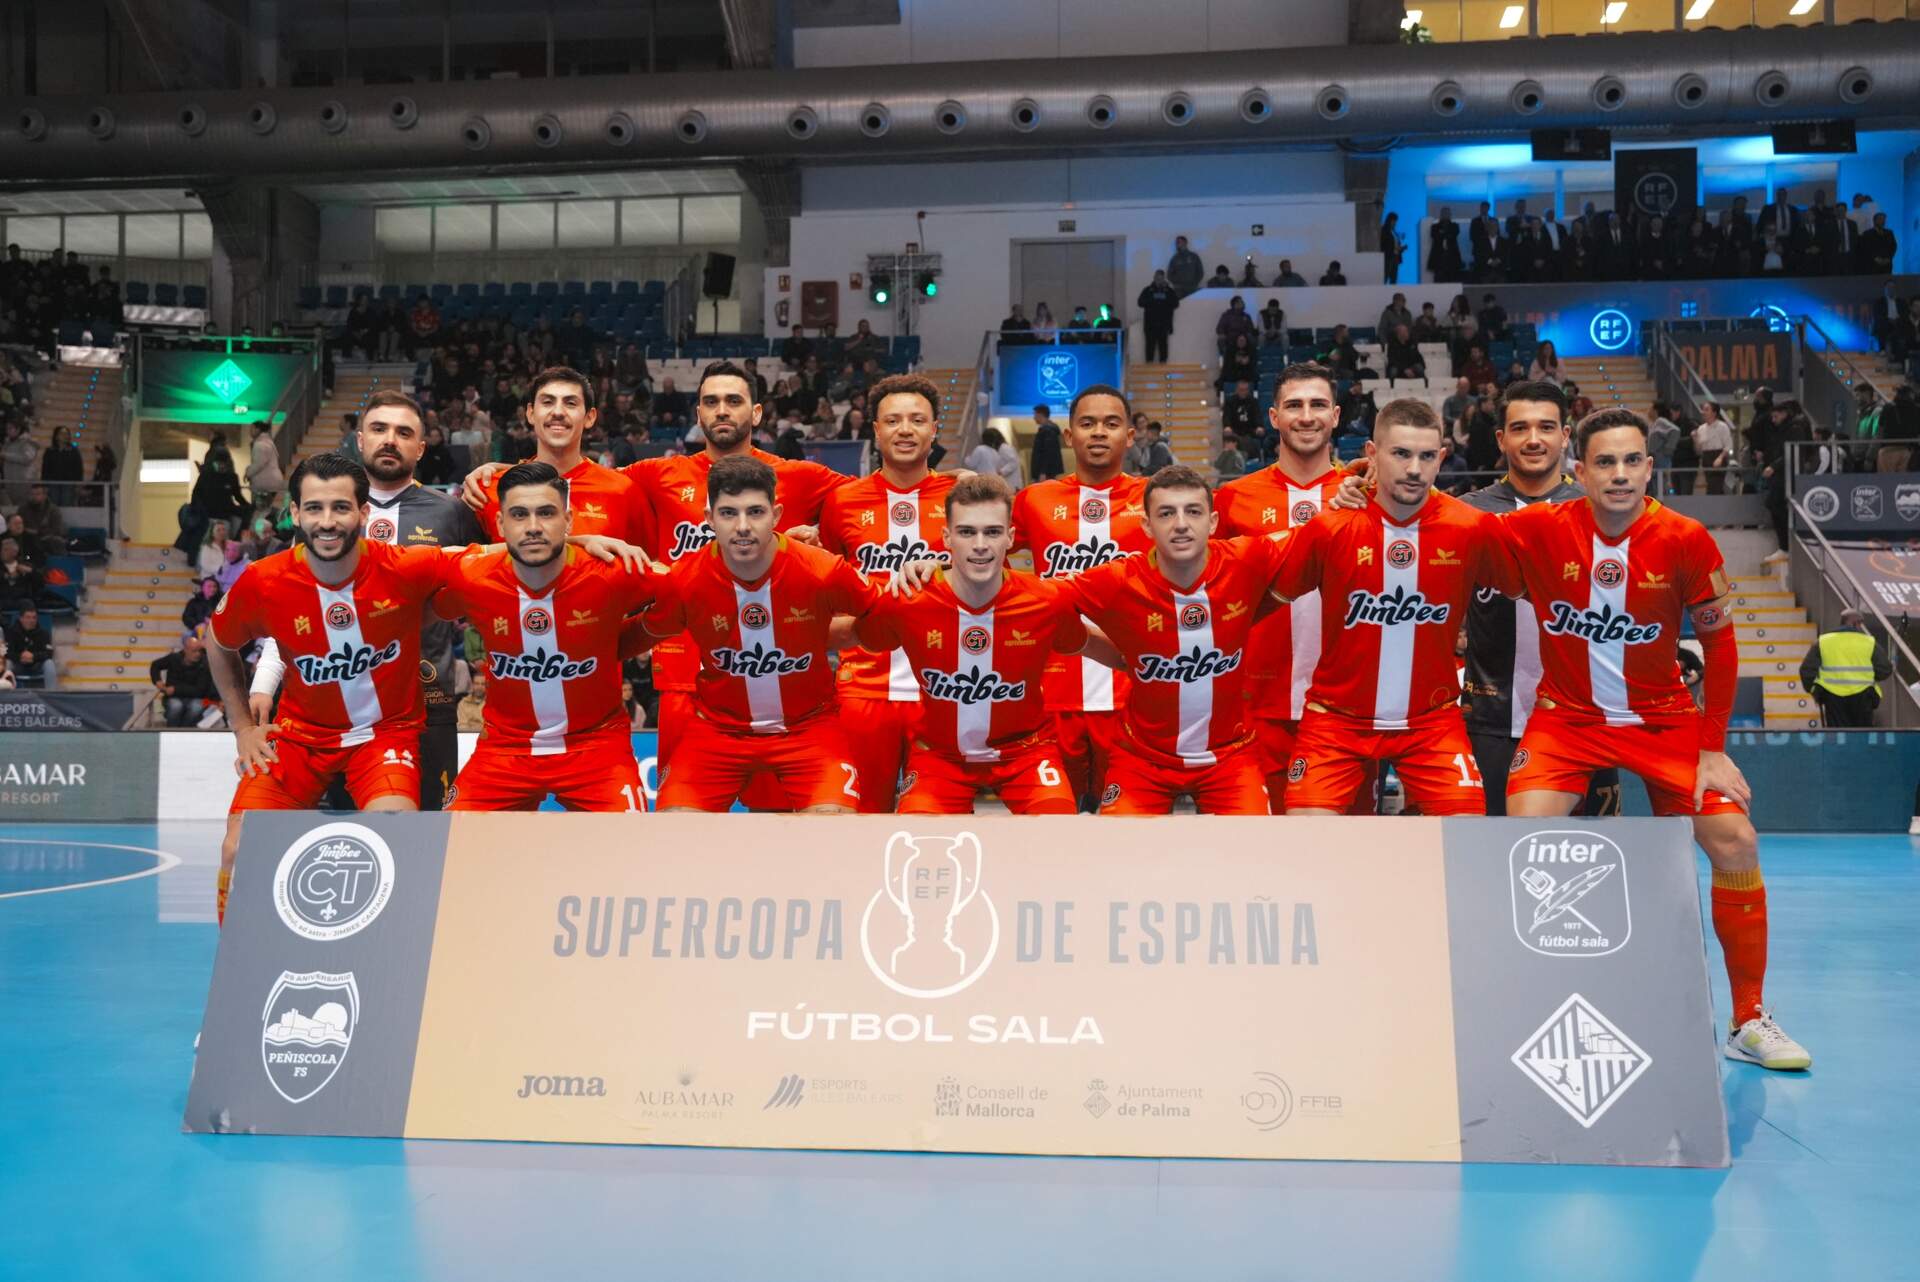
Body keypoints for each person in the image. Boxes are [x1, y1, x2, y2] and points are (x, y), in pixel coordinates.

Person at [1497, 407, 1810, 1071]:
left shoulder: (1686, 539)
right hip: (1566, 719)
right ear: (1579, 472)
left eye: (1631, 461)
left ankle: (1749, 1019)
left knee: (1736, 840)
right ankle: (1534, 1006)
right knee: (1524, 839)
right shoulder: (1536, 528)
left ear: (1649, 468)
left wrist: (1711, 747)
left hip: (1664, 722)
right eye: (1604, 462)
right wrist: (1360, 481)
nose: (1619, 474)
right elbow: (1442, 522)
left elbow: (1721, 648)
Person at [251, 388, 487, 812]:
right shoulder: (324, 511)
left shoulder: (451, 513)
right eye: (379, 429)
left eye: (403, 432)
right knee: (338, 831)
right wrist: (266, 680)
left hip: (426, 702)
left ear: (421, 447)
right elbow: (295, 601)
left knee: (424, 830)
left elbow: (503, 572)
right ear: (360, 440)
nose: (390, 440)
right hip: (330, 709)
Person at [1272, 398, 1508, 817]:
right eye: (1400, 453)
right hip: (1336, 721)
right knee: (1305, 839)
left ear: (1441, 458)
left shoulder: (1471, 527)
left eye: (1426, 456)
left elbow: (1536, 590)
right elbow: (1266, 600)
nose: (1414, 469)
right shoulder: (1329, 527)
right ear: (1371, 453)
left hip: (1431, 723)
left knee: (1468, 835)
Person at [632, 456, 875, 813]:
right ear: (709, 518)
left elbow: (883, 616)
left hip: (809, 728)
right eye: (728, 513)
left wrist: (935, 570)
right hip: (717, 732)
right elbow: (642, 633)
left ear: (776, 515)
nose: (743, 526)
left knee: (834, 826)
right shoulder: (683, 580)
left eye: (755, 512)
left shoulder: (823, 570)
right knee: (675, 827)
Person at [860, 474, 1099, 814]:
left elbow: (1094, 645)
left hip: (1026, 752)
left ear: (1010, 537)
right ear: (946, 538)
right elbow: (852, 633)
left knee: (1057, 831)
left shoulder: (1046, 600)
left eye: (993, 532)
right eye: (966, 532)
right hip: (939, 757)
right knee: (920, 836)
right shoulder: (908, 599)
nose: (980, 544)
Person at [1062, 466, 1288, 815]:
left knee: (1251, 844)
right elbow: (1041, 601)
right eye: (1166, 513)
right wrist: (1095, 646)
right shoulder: (1118, 580)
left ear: (1213, 522)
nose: (1181, 524)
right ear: (1146, 526)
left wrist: (1356, 490)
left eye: (1193, 512)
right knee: (1117, 846)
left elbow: (1318, 537)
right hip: (1142, 759)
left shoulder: (1247, 557)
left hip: (1230, 756)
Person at [435, 461, 659, 811]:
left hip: (597, 748)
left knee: (632, 844)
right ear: (500, 524)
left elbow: (685, 591)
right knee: (451, 838)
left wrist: (633, 638)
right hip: (504, 751)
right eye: (519, 515)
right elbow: (409, 584)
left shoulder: (611, 570)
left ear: (568, 520)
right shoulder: (473, 575)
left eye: (546, 513)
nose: (533, 527)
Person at [1446, 380, 1624, 816]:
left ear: (1565, 436)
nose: (1533, 439)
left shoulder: (1600, 509)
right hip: (1490, 719)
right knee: (1490, 847)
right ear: (1500, 438)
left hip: (1583, 722)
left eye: (1545, 427)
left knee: (1588, 849)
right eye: (1520, 428)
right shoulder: (1467, 513)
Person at [1215, 362, 1355, 808]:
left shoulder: (1364, 496)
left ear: (1336, 415)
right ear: (1274, 417)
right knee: (1263, 840)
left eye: (1318, 405)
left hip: (1348, 709)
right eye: (1294, 406)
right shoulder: (1233, 499)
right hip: (1256, 706)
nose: (1306, 416)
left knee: (1352, 839)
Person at [818, 376, 956, 815]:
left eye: (917, 420)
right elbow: (827, 590)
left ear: (934, 429)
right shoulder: (842, 502)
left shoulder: (960, 499)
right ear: (876, 430)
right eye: (893, 421)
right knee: (858, 820)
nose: (905, 430)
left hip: (943, 691)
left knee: (937, 823)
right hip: (862, 691)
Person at [1011, 385, 1152, 806]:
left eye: (1111, 423)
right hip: (1053, 692)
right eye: (1088, 423)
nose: (1099, 432)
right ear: (1069, 435)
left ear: (1130, 435)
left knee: (1126, 822)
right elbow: (981, 553)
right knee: (1056, 820)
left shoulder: (1156, 500)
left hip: (1133, 692)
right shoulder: (1034, 500)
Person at [1800, 607, 1892, 729]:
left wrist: (1815, 691)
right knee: (1862, 735)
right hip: (1863, 697)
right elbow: (1885, 669)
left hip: (1832, 698)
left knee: (1838, 735)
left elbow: (1806, 670)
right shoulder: (1869, 642)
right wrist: (1869, 676)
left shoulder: (1823, 641)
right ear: (1855, 623)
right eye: (1860, 624)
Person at [150, 634, 217, 727]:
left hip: (196, 697)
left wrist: (176, 689)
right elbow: (155, 665)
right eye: (194, 651)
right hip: (174, 697)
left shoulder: (205, 664)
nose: (198, 654)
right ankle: (172, 730)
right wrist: (157, 680)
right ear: (185, 650)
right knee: (176, 706)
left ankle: (184, 730)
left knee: (196, 707)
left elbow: (200, 690)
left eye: (200, 651)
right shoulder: (174, 658)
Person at [3, 603, 53, 687]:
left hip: (36, 664)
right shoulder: (11, 632)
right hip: (18, 664)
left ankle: (51, 693)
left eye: (34, 617)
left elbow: (49, 653)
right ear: (21, 618)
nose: (31, 620)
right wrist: (20, 656)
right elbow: (5, 652)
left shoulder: (44, 633)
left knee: (49, 664)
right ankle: (4, 692)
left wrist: (33, 656)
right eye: (28, 617)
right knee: (7, 663)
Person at [1137, 270, 1180, 363]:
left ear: (1164, 279)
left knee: (1163, 346)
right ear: (1154, 278)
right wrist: (1152, 298)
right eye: (1157, 278)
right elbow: (1140, 302)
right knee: (1150, 346)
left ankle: (1163, 365)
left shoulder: (1169, 291)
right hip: (1150, 324)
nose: (1159, 281)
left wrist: (1166, 296)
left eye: (1161, 279)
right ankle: (1149, 365)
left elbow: (1176, 304)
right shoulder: (1147, 290)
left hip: (1164, 324)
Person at [1693, 402, 1734, 495]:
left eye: (1706, 410)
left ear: (1714, 413)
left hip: (1718, 455)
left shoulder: (1722, 426)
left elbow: (1728, 445)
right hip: (1706, 457)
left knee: (1715, 486)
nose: (1703, 412)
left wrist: (1720, 458)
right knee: (1711, 484)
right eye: (1703, 410)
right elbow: (1698, 450)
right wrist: (1695, 439)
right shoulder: (1701, 428)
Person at [245, 421, 284, 518]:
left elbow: (259, 463)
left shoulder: (260, 444)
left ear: (257, 429)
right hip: (272, 481)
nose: (250, 431)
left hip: (265, 483)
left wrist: (248, 473)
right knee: (266, 508)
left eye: (252, 428)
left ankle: (259, 525)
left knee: (259, 509)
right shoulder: (269, 443)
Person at [1028, 404, 1064, 481]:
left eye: (1035, 414)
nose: (1034, 417)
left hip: (1045, 474)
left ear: (1040, 415)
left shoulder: (1048, 430)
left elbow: (1048, 453)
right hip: (1047, 472)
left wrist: (1043, 472)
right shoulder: (1049, 429)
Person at [1429, 206, 1464, 282]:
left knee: (1452, 279)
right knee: (1439, 279)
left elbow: (1453, 234)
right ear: (1441, 214)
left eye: (1447, 213)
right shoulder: (1435, 226)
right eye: (1444, 213)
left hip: (1452, 257)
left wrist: (1442, 232)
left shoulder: (1455, 225)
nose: (1446, 215)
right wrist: (1446, 233)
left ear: (1450, 215)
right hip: (1438, 258)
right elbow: (1435, 236)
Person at [1380, 213, 1405, 285]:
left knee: (1394, 278)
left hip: (1396, 257)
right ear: (1389, 221)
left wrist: (1401, 248)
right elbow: (1384, 244)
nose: (1395, 223)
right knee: (1385, 276)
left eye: (1395, 221)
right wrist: (1395, 247)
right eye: (1394, 221)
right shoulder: (1384, 230)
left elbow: (1395, 244)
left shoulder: (1394, 232)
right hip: (1388, 257)